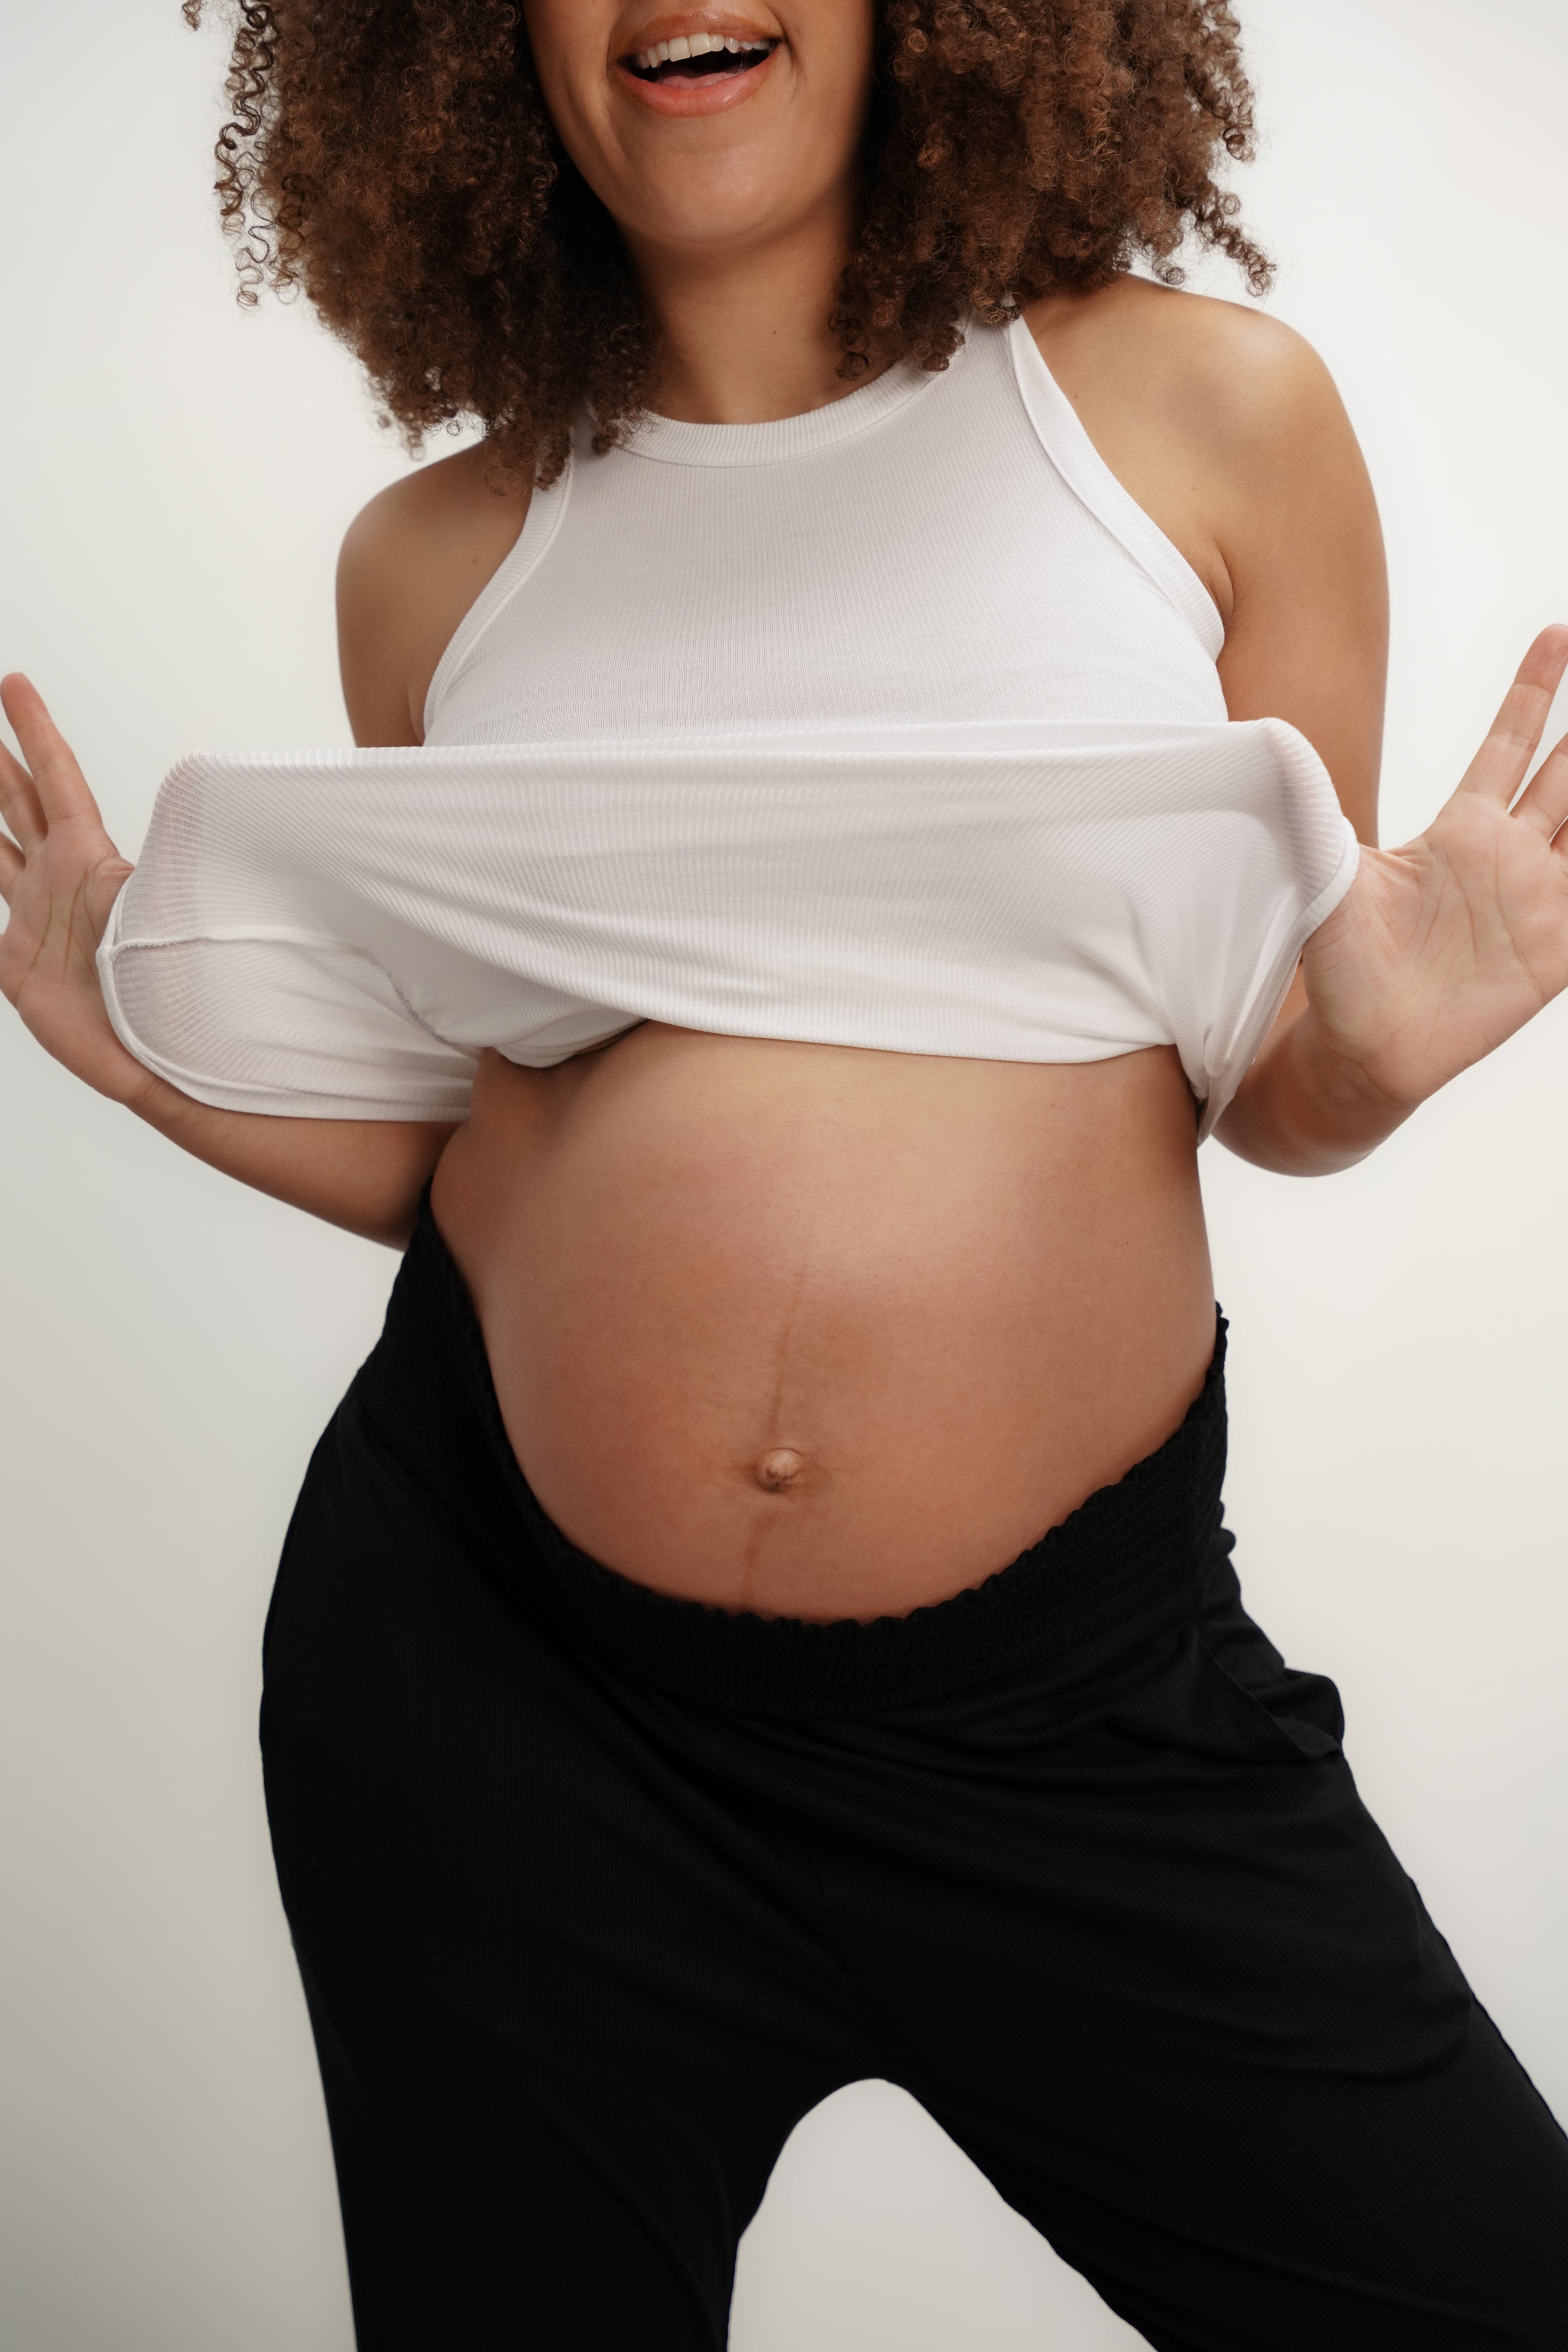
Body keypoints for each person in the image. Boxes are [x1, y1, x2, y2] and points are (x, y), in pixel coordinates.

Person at [3, 2, 1567, 2344]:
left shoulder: (1197, 417)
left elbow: (1257, 1077)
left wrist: (1375, 1052)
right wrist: (145, 1069)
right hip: (498, 1710)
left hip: (1070, 1731)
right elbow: (510, 1147)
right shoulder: (435, 566)